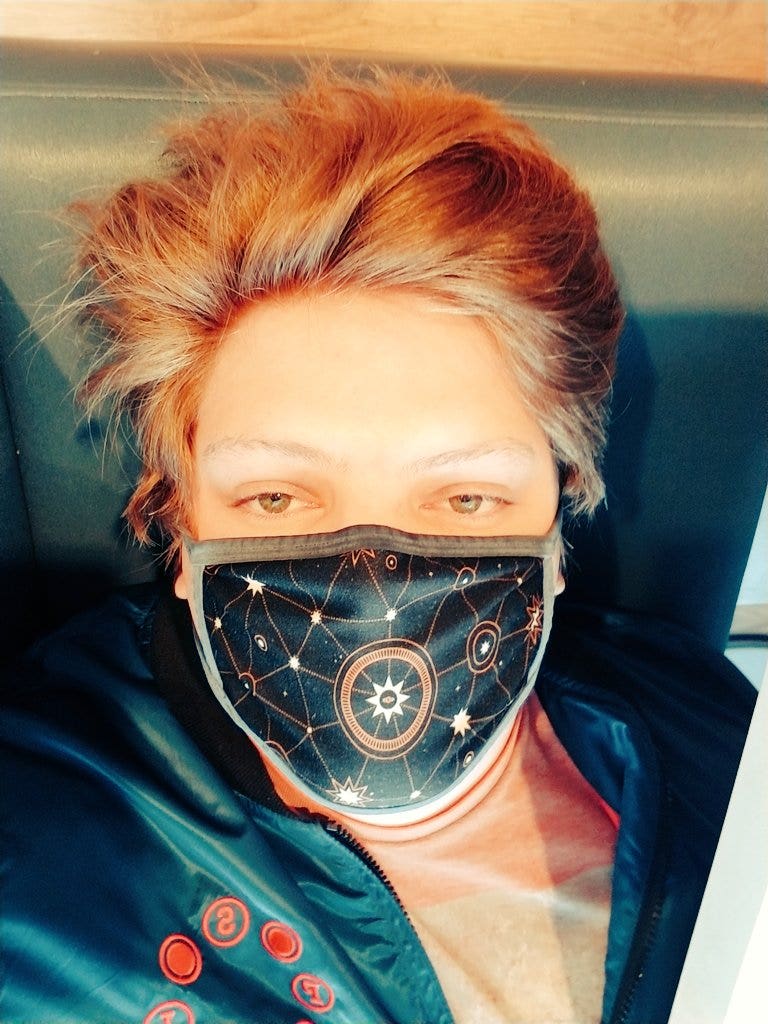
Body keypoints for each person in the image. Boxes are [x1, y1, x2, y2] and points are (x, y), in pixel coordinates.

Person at [0, 67, 755, 1024]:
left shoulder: (711, 736)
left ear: (560, 521)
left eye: (465, 497)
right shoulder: (37, 858)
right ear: (179, 526)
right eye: (277, 497)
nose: (370, 584)